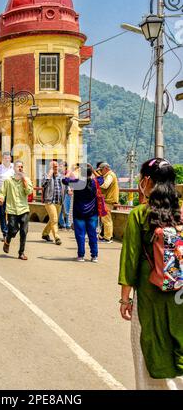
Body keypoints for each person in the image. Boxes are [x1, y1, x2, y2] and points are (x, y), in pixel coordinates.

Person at [118, 158, 183, 390]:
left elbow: (130, 260)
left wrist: (125, 299)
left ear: (146, 181)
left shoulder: (139, 214)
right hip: (179, 296)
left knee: (147, 348)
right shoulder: (181, 215)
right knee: (177, 345)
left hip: (149, 296)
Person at [63, 164, 99, 262]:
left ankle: (81, 256)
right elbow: (101, 179)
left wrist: (70, 170)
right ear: (90, 173)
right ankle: (94, 256)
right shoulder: (95, 183)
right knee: (92, 235)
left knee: (80, 235)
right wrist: (92, 169)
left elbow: (64, 180)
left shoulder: (77, 183)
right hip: (92, 213)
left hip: (79, 213)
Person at [0, 160, 33, 260]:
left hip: (24, 209)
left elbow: (29, 192)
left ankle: (21, 253)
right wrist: (1, 198)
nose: (20, 168)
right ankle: (7, 240)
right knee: (13, 230)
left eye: (22, 166)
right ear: (14, 168)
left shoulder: (26, 179)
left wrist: (24, 181)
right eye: (18, 166)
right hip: (12, 210)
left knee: (24, 231)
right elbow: (2, 192)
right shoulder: (8, 181)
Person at [0, 152, 14, 241]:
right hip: (0, 193)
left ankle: (10, 231)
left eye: (8, 158)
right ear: (2, 159)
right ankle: (5, 233)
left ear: (11, 159)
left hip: (11, 193)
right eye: (5, 158)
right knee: (2, 214)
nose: (7, 160)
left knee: (12, 213)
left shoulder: (14, 167)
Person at [41, 160, 63, 245]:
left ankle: (45, 234)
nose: (56, 168)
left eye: (56, 166)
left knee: (53, 219)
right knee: (54, 219)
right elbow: (43, 184)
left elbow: (65, 186)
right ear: (50, 168)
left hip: (59, 201)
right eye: (54, 167)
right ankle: (57, 237)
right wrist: (49, 175)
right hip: (50, 201)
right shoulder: (46, 176)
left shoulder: (61, 176)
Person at [96, 162, 119, 243]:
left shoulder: (109, 175)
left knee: (106, 219)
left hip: (108, 200)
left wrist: (96, 185)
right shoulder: (109, 175)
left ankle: (108, 238)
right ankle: (107, 236)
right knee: (105, 219)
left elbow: (105, 185)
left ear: (106, 169)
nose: (100, 172)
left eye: (101, 170)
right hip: (107, 200)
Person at [58, 162, 72, 231]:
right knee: (59, 210)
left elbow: (71, 183)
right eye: (59, 166)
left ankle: (68, 225)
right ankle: (62, 224)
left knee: (67, 210)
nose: (60, 167)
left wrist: (69, 189)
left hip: (66, 194)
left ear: (65, 167)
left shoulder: (69, 174)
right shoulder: (58, 174)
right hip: (59, 195)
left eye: (61, 166)